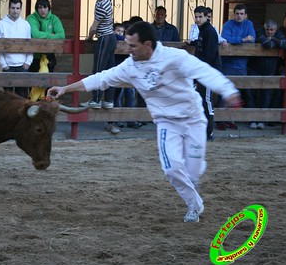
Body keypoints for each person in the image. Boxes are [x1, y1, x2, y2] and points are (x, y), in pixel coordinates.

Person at [47, 21, 242, 223]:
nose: (128, 49)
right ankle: (194, 206)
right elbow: (101, 78)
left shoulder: (175, 57)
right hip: (166, 122)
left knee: (193, 171)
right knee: (172, 170)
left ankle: (195, 167)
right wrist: (65, 89)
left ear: (148, 44)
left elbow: (205, 72)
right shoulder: (129, 66)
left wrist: (228, 91)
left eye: (132, 45)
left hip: (193, 118)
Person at [81, 0, 119, 133]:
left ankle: (96, 99)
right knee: (110, 70)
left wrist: (89, 37)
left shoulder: (100, 7)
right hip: (111, 37)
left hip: (103, 39)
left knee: (98, 69)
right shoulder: (108, 0)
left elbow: (93, 27)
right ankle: (108, 100)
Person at [186, 6, 221, 141]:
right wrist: (193, 43)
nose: (198, 19)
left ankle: (209, 133)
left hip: (207, 72)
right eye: (197, 16)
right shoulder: (204, 30)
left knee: (207, 102)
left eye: (201, 17)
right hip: (202, 70)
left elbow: (210, 54)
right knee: (202, 101)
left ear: (207, 17)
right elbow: (203, 46)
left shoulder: (209, 31)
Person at [219, 3, 255, 130]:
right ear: (233, 15)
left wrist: (238, 40)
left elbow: (252, 38)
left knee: (239, 93)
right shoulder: (228, 24)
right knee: (225, 92)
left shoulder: (249, 24)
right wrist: (243, 40)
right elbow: (225, 38)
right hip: (228, 64)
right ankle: (221, 119)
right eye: (237, 14)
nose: (239, 16)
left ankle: (232, 119)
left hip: (242, 65)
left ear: (245, 15)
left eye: (241, 14)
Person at [248, 19, 286, 129]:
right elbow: (268, 44)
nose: (269, 32)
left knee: (266, 95)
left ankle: (262, 120)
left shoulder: (278, 34)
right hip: (255, 68)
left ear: (275, 30)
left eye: (272, 30)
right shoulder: (260, 32)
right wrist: (274, 41)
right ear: (264, 28)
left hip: (270, 70)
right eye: (268, 30)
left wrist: (274, 39)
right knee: (253, 95)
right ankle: (252, 120)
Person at [0, 0, 32, 98]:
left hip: (23, 66)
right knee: (8, 98)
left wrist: (28, 62)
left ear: (20, 9)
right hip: (8, 67)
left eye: (17, 8)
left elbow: (30, 45)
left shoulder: (26, 25)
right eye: (13, 8)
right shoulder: (1, 25)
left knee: (23, 98)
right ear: (9, 8)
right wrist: (4, 65)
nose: (15, 11)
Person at [113, 21, 143, 129]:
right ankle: (117, 120)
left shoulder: (128, 41)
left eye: (122, 31)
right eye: (118, 31)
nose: (120, 33)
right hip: (118, 72)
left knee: (130, 95)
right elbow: (118, 38)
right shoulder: (117, 39)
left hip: (129, 72)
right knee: (118, 97)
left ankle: (131, 119)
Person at [27, 0, 65, 73]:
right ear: (36, 9)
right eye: (40, 7)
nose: (43, 10)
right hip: (34, 56)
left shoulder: (54, 19)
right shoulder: (31, 18)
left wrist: (44, 35)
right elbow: (36, 35)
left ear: (49, 8)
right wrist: (50, 35)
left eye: (45, 7)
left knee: (48, 83)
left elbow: (61, 35)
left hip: (49, 55)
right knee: (33, 83)